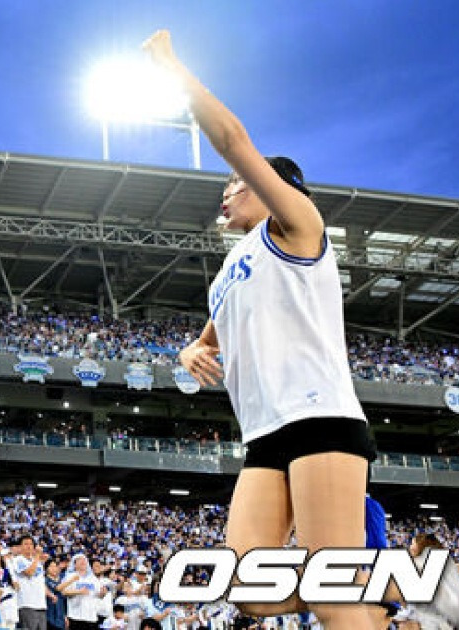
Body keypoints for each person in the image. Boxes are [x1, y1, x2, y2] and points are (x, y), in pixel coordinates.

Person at [147, 29, 378, 629]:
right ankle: (369, 586)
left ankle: (359, 589)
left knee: (332, 598)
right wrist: (191, 349)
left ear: (274, 187)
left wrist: (173, 69)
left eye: (234, 184)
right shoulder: (231, 267)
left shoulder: (297, 225)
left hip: (319, 416)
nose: (225, 194)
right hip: (265, 433)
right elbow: (210, 336)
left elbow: (232, 139)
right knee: (249, 588)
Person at [11, 536, 50, 630]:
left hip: (41, 604)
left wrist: (50, 594)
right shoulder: (17, 560)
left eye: (31, 544)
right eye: (26, 544)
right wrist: (37, 556)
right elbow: (29, 573)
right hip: (26, 604)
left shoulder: (36, 561)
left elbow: (40, 581)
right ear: (20, 547)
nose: (29, 546)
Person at [59, 554, 104, 630]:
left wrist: (102, 593)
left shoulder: (93, 578)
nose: (83, 561)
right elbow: (63, 592)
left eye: (84, 560)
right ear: (74, 564)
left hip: (91, 617)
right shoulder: (70, 576)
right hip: (75, 616)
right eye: (79, 560)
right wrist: (78, 592)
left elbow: (99, 595)